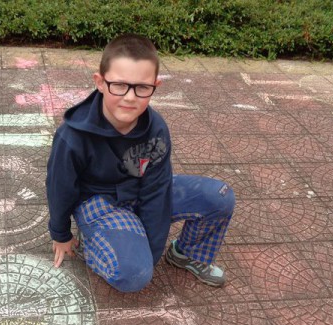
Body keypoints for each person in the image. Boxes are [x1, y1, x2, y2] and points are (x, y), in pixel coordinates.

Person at [46, 33, 235, 291]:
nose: (130, 97)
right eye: (119, 85)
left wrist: (152, 253)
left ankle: (186, 253)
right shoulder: (73, 136)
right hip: (98, 201)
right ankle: (92, 241)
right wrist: (60, 234)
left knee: (219, 197)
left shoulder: (155, 129)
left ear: (155, 85)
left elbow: (156, 191)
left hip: (137, 190)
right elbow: (59, 188)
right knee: (133, 275)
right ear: (100, 82)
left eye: (142, 88)